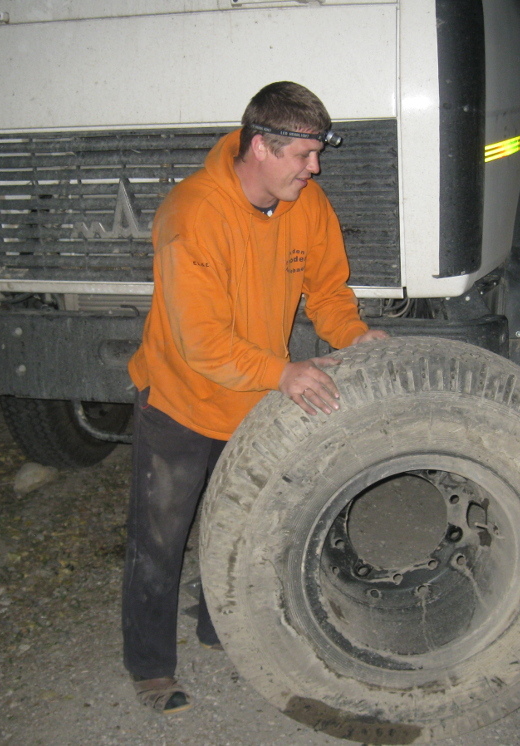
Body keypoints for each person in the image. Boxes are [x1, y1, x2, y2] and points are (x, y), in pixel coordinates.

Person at [121, 81, 388, 714]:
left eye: (319, 153)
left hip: (253, 405)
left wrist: (356, 337)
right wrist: (286, 373)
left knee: (242, 529)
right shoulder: (192, 215)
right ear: (263, 147)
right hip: (181, 403)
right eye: (305, 155)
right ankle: (151, 666)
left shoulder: (308, 204)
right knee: (160, 540)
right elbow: (203, 343)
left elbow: (327, 293)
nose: (315, 167)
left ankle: (222, 628)